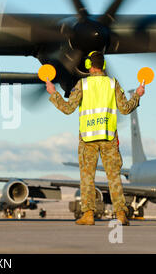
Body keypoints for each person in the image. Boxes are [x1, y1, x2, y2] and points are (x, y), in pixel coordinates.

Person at [46, 51, 145, 226]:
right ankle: (121, 214)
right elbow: (125, 109)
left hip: (88, 139)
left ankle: (88, 215)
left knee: (87, 177)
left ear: (88, 66)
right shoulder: (113, 84)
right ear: (104, 66)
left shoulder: (82, 84)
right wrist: (137, 95)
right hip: (109, 138)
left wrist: (53, 93)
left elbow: (68, 109)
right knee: (114, 177)